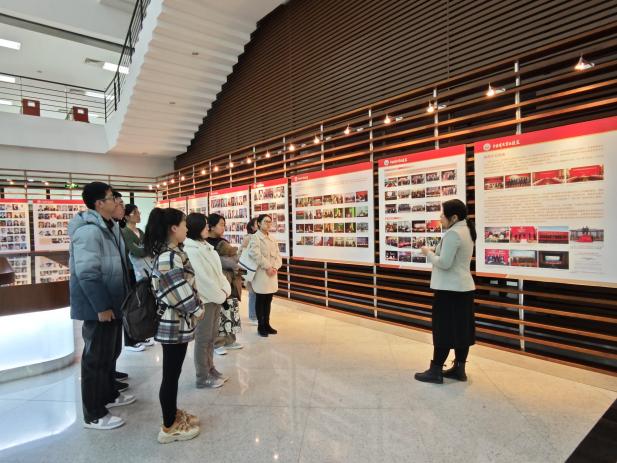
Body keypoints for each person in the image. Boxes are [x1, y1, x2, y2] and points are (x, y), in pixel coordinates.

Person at [69, 182, 134, 430]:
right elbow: (87, 273)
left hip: (113, 302)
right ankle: (94, 414)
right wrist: (102, 306)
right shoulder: (89, 232)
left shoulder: (110, 227)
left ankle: (108, 396)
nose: (116, 202)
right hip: (98, 307)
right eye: (111, 198)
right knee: (95, 360)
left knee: (109, 353)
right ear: (99, 204)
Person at [145, 207, 205, 444]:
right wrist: (197, 309)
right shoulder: (168, 257)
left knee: (173, 372)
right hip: (172, 323)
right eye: (183, 224)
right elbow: (178, 292)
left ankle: (172, 414)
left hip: (176, 322)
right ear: (173, 228)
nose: (187, 228)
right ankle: (169, 426)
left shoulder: (172, 253)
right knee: (170, 375)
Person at [416, 199, 476, 384]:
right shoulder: (466, 229)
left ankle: (435, 370)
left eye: (443, 214)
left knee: (443, 331)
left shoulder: (453, 234)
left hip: (449, 290)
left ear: (454, 217)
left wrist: (428, 253)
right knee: (461, 330)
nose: (440, 217)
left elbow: (444, 263)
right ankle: (459, 369)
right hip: (463, 289)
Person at [184, 213, 232, 389]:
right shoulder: (191, 249)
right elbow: (202, 279)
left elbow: (218, 274)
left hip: (216, 297)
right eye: (205, 225)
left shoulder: (205, 246)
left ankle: (210, 369)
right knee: (203, 339)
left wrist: (224, 290)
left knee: (211, 337)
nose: (208, 228)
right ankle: (202, 376)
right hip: (205, 299)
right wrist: (220, 294)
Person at [206, 213, 243, 355]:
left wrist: (230, 261)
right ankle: (217, 343)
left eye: (224, 224)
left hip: (230, 281)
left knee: (230, 310)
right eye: (221, 224)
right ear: (211, 226)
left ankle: (230, 340)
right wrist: (228, 261)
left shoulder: (223, 241)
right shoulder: (206, 243)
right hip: (216, 282)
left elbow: (234, 259)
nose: (223, 227)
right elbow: (219, 261)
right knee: (218, 314)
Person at [120, 203, 155, 352]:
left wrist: (145, 249)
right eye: (135, 213)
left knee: (143, 301)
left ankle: (140, 334)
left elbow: (148, 248)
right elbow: (136, 251)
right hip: (131, 271)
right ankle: (130, 340)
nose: (138, 214)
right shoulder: (124, 232)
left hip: (143, 271)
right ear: (126, 216)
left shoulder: (140, 231)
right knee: (133, 303)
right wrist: (145, 249)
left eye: (138, 212)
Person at [248, 214, 283, 337]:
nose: (268, 224)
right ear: (258, 223)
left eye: (270, 221)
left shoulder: (272, 238)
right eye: (265, 221)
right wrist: (268, 267)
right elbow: (255, 254)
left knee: (268, 300)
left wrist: (275, 267)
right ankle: (260, 326)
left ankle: (267, 324)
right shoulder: (255, 237)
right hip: (261, 274)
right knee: (260, 299)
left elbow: (278, 256)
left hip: (272, 274)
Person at [241, 218, 259, 325]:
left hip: (258, 269)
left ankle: (256, 315)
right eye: (257, 224)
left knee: (257, 293)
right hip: (250, 269)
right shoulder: (249, 238)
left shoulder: (259, 237)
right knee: (253, 293)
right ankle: (253, 316)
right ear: (252, 227)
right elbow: (242, 252)